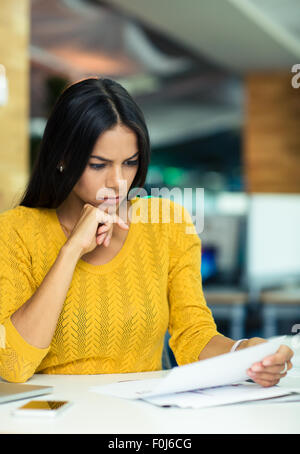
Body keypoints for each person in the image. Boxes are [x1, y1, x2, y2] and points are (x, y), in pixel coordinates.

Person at [0, 77, 293, 386]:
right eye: (99, 164)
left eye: (129, 163)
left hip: (141, 422)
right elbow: (13, 365)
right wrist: (70, 251)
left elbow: (193, 334)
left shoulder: (168, 223)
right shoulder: (15, 231)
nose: (118, 182)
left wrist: (243, 353)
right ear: (62, 158)